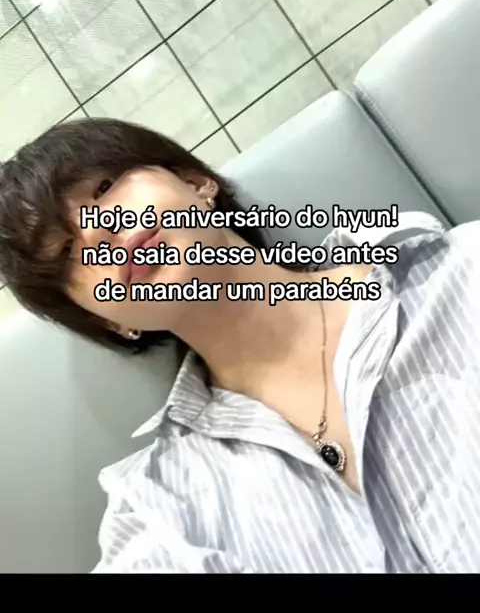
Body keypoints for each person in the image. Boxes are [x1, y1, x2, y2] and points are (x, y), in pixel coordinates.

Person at [0, 117, 479, 574]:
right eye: (65, 250)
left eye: (104, 188)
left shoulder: (464, 272)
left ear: (196, 182)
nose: (96, 231)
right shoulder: (159, 507)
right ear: (106, 318)